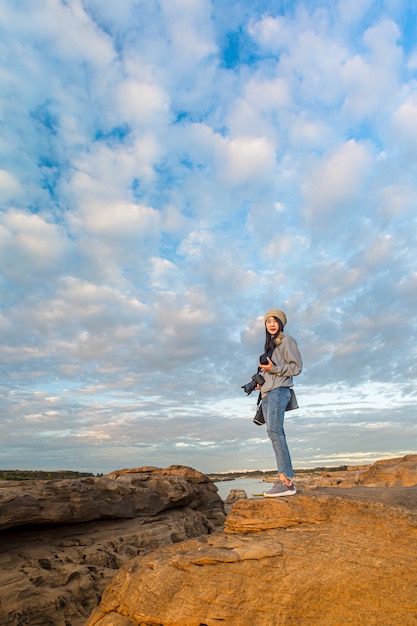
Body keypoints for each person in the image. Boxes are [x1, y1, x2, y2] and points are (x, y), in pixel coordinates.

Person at [257, 308, 302, 497]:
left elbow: (296, 367)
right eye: (268, 321)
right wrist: (260, 384)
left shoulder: (287, 341)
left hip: (279, 392)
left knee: (276, 432)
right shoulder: (269, 346)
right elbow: (272, 372)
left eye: (275, 320)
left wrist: (274, 369)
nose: (272, 324)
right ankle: (284, 477)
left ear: (281, 323)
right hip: (267, 394)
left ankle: (287, 481)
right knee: (274, 433)